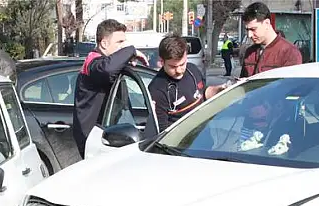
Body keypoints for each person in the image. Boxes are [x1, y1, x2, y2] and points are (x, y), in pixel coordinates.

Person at [72, 19, 149, 158]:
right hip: (97, 141)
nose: (124, 46)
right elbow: (107, 69)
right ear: (104, 43)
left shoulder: (105, 62)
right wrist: (130, 51)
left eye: (125, 42)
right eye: (120, 42)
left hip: (108, 136)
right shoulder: (94, 63)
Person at [148, 34, 229, 132]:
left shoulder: (193, 70)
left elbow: (203, 93)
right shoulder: (157, 89)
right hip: (180, 139)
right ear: (162, 61)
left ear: (186, 56)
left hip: (204, 133)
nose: (179, 70)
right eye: (173, 67)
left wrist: (220, 89)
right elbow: (162, 131)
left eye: (182, 64)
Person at [239, 2, 302, 78]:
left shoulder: (289, 52)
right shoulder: (250, 52)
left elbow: (292, 84)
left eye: (253, 29)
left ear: (267, 23)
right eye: (247, 30)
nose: (249, 35)